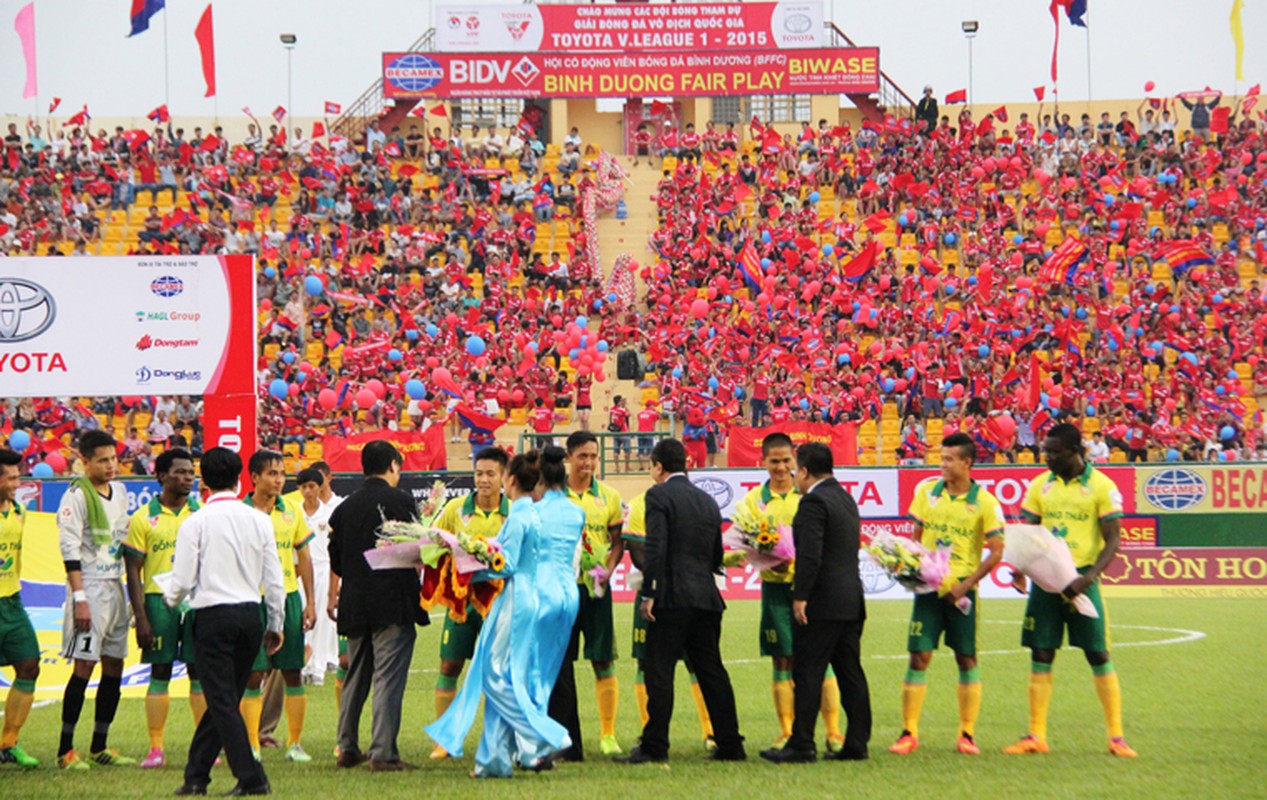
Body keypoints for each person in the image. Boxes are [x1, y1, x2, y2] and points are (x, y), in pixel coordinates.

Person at [426, 447, 586, 776]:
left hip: (520, 598)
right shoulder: (550, 512)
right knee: (519, 675)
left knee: (494, 674)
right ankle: (495, 759)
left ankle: (543, 735)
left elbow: (507, 564)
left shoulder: (522, 515)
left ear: (509, 480)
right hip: (554, 595)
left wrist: (467, 567)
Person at [1004, 423, 1137, 757]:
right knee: (1041, 652)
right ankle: (1036, 735)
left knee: (1098, 654)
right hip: (1045, 583)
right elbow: (1029, 534)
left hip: (1081, 582)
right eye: (1045, 450)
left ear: (1075, 451)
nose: (1046, 456)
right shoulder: (1039, 486)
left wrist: (1088, 577)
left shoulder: (1102, 487)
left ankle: (1116, 737)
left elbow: (1114, 539)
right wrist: (1020, 570)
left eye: (1054, 451)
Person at [164, 447, 286, 797]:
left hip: (213, 616)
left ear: (203, 480)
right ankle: (196, 775)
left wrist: (170, 602)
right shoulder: (260, 520)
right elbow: (274, 579)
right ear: (240, 479)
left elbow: (183, 578)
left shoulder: (196, 522)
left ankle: (252, 777)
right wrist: (274, 622)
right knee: (225, 699)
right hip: (250, 614)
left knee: (220, 700)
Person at [617, 438, 744, 764]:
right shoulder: (706, 500)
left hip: (672, 599)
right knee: (712, 671)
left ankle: (655, 745)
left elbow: (656, 548)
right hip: (706, 597)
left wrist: (650, 593)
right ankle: (730, 744)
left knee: (659, 672)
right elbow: (717, 554)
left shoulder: (658, 495)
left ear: (658, 466)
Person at [888, 433, 1005, 757]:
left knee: (966, 658)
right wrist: (909, 568)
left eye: (949, 459)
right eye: (941, 458)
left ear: (967, 463)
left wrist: (965, 585)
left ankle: (966, 734)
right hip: (928, 591)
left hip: (962, 594)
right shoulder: (926, 492)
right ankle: (908, 731)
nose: (942, 464)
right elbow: (915, 537)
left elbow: (996, 552)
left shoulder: (985, 502)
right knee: (918, 656)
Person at [760, 442, 870, 763]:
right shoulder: (846, 498)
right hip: (851, 598)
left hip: (822, 601)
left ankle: (802, 744)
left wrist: (801, 597)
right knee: (851, 673)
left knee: (807, 671)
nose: (793, 477)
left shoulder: (812, 503)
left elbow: (810, 555)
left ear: (805, 471)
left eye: (796, 471)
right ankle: (857, 743)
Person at [739, 433, 845, 750]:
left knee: (820, 660)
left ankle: (833, 732)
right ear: (763, 462)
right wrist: (763, 561)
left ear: (795, 460)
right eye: (774, 462)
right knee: (782, 660)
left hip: (811, 591)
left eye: (787, 461)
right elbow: (744, 544)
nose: (781, 468)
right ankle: (786, 730)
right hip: (774, 590)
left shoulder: (808, 495)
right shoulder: (753, 502)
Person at [328, 440, 427, 771]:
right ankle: (383, 752)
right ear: (393, 465)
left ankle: (346, 747)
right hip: (392, 601)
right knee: (387, 676)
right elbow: (417, 547)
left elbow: (336, 560)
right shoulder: (399, 499)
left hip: (355, 601)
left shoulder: (344, 507)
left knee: (356, 675)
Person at [57, 430, 136, 769]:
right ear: (85, 462)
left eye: (113, 459)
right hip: (88, 586)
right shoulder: (75, 496)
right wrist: (80, 599)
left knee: (114, 663)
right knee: (85, 665)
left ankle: (99, 746)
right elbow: (69, 549)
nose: (111, 466)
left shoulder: (119, 491)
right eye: (103, 460)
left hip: (114, 584)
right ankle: (65, 750)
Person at [122, 448, 205, 769]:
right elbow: (133, 570)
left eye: (190, 473)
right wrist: (140, 616)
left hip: (196, 601)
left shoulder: (201, 514)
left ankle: (203, 747)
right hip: (158, 601)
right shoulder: (143, 518)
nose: (187, 478)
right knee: (160, 671)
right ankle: (156, 748)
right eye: (180, 472)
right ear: (161, 476)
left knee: (199, 672)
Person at [429, 447, 511, 760]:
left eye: (491, 474)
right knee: (450, 664)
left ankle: (497, 738)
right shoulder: (454, 509)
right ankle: (444, 740)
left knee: (498, 672)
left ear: (503, 477)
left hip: (499, 606)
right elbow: (435, 543)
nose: (484, 480)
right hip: (461, 604)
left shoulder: (513, 511)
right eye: (479, 473)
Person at [549, 430, 625, 759]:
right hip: (563, 590)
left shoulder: (608, 496)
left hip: (596, 590)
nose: (589, 462)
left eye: (594, 456)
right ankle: (564, 736)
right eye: (583, 456)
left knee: (602, 658)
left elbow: (618, 542)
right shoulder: (554, 495)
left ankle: (607, 734)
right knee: (560, 663)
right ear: (568, 458)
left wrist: (607, 570)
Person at [622, 489, 716, 752]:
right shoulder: (638, 503)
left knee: (694, 664)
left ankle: (710, 731)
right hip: (656, 591)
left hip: (673, 593)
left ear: (657, 466)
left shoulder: (687, 501)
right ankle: (648, 733)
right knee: (647, 663)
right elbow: (637, 551)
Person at [0, 449, 40, 768]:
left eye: (17, 476)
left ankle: (8, 743)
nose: (17, 482)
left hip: (12, 602)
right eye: (11, 478)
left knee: (29, 665)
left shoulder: (18, 511)